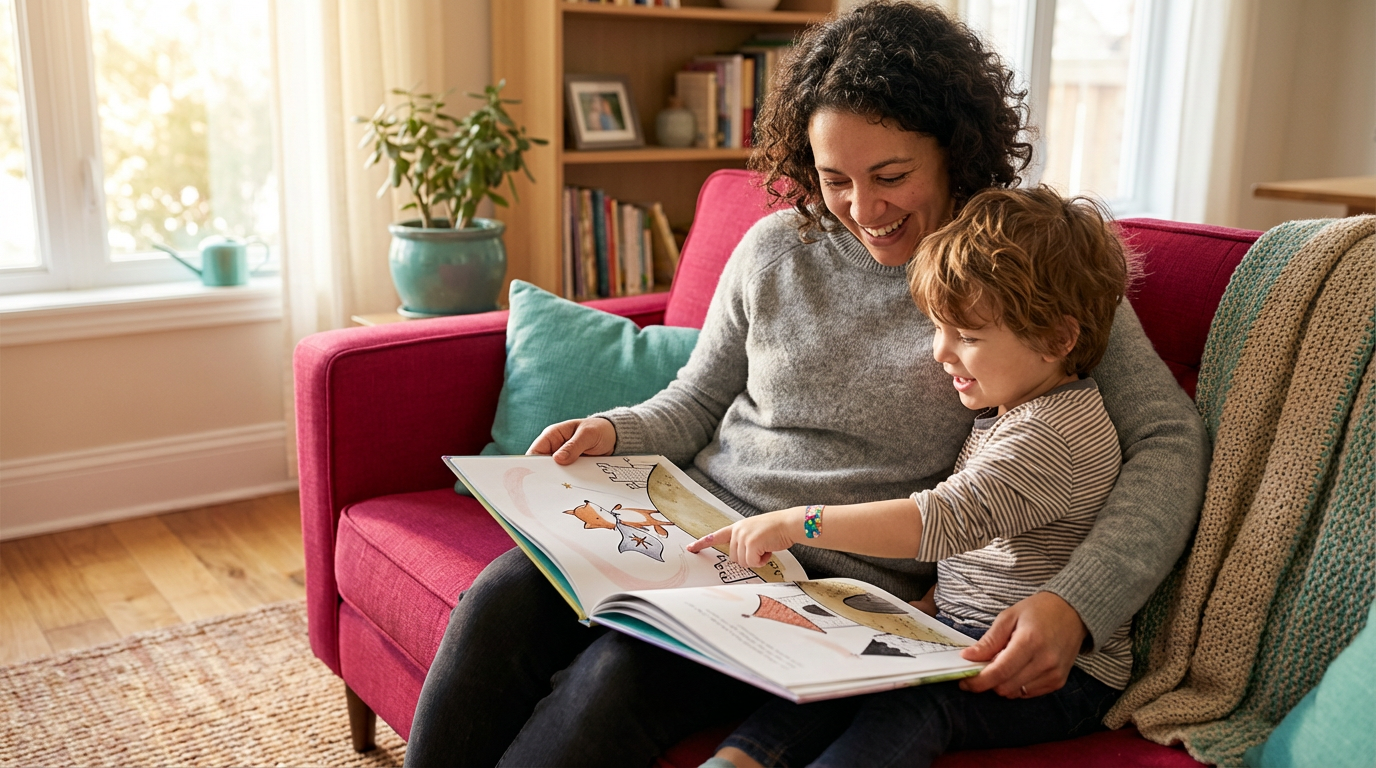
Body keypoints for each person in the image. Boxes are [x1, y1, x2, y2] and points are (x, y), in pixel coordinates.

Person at [403, 3, 1208, 766]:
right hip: (697, 525)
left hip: (826, 588)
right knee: (503, 596)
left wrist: (1078, 603)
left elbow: (1167, 441)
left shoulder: (1016, 275)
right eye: (835, 179)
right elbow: (693, 402)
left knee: (618, 678)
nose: (863, 208)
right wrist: (614, 431)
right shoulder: (773, 250)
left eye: (891, 174)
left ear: (955, 150)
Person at [688, 186, 1137, 768]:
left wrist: (800, 522)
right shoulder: (1009, 411)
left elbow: (944, 519)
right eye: (939, 328)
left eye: (968, 337)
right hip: (958, 627)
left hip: (1065, 677)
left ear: (1058, 338)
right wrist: (930, 602)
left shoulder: (1056, 434)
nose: (941, 353)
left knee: (911, 707)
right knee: (835, 672)